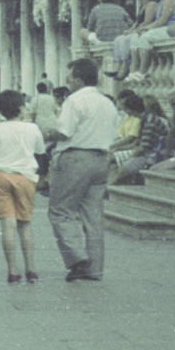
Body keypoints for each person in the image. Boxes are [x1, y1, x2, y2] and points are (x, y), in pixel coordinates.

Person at [47, 59, 118, 282]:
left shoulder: (74, 101)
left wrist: (48, 132)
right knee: (93, 215)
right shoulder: (107, 102)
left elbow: (65, 131)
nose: (67, 82)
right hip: (101, 159)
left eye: (69, 78)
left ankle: (77, 258)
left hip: (76, 157)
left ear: (78, 79)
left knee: (61, 210)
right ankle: (95, 267)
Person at [0, 91, 45, 283]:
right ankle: (31, 269)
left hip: (0, 176)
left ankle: (13, 271)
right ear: (21, 108)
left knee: (8, 225)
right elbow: (40, 152)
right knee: (25, 224)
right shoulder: (32, 129)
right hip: (25, 177)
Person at [111, 94, 170, 184]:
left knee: (122, 170)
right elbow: (136, 143)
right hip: (147, 152)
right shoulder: (144, 119)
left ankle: (107, 192)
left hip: (154, 154)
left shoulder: (149, 121)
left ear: (130, 109)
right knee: (116, 165)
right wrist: (118, 149)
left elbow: (142, 148)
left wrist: (130, 158)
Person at [109, 0, 158, 80]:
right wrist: (130, 30)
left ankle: (125, 67)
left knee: (126, 40)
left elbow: (147, 22)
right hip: (138, 29)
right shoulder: (142, 6)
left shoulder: (152, 4)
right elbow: (137, 22)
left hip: (145, 31)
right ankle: (117, 65)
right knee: (118, 39)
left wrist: (134, 31)